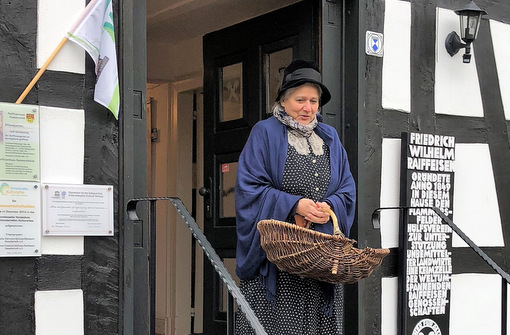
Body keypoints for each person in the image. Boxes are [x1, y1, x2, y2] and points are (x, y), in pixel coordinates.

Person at [234, 59, 356, 335]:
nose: (308, 108)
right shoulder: (265, 133)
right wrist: (294, 205)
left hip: (319, 262)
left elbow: (347, 189)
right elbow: (249, 188)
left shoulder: (330, 138)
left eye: (313, 101)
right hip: (278, 264)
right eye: (300, 99)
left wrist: (330, 207)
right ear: (283, 100)